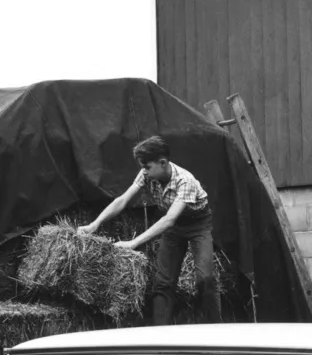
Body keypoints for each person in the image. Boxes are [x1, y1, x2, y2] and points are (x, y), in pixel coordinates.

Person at [79, 135, 221, 324]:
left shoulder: (185, 181)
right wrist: (94, 224)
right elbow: (122, 200)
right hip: (175, 228)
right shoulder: (146, 174)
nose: (143, 171)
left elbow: (169, 220)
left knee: (205, 279)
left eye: (147, 167)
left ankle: (215, 328)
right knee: (163, 283)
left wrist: (133, 243)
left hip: (197, 224)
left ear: (162, 163)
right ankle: (160, 334)